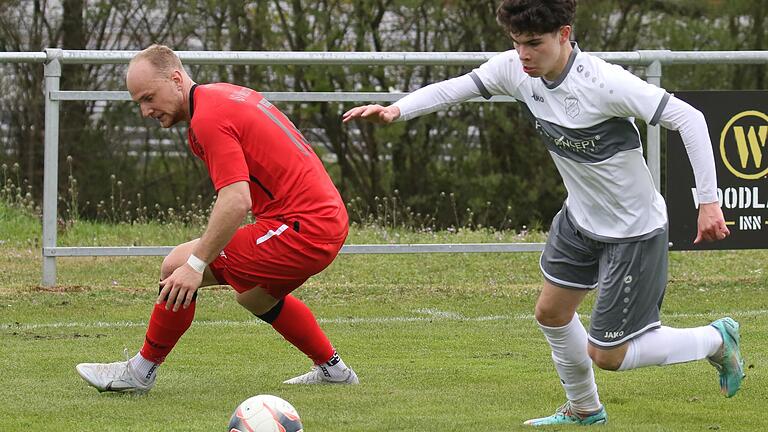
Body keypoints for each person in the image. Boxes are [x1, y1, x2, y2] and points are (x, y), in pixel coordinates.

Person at [343, 0, 744, 426]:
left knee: (608, 354)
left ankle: (715, 340)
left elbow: (691, 119)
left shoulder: (605, 82)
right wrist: (397, 109)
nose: (524, 55)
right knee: (552, 314)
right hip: (578, 220)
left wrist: (709, 201)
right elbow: (453, 88)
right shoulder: (516, 69)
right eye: (516, 44)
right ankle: (585, 409)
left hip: (633, 230)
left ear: (565, 35)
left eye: (534, 43)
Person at [76, 44, 358, 394]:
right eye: (139, 103)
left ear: (176, 79)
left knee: (176, 265)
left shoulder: (208, 118)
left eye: (148, 98)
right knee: (254, 297)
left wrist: (196, 264)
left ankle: (139, 372)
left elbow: (236, 200)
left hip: (303, 228)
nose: (145, 111)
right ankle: (334, 370)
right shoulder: (219, 96)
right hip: (323, 221)